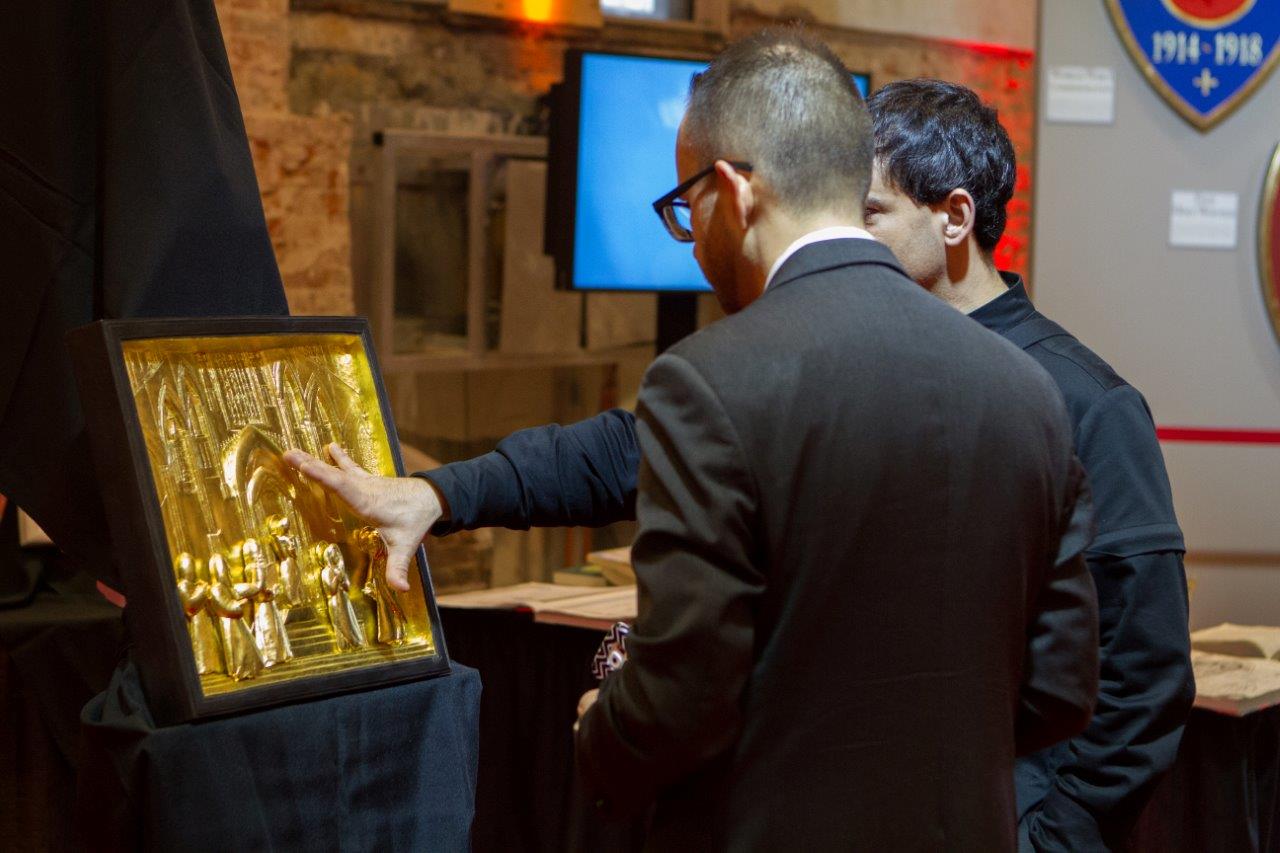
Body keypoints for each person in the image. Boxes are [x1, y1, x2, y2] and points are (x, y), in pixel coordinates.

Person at [286, 29, 1099, 849]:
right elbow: (1061, 686)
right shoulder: (1026, 388)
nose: (692, 234)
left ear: (735, 191)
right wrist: (435, 491)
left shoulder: (713, 377)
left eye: (686, 204)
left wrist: (602, 731)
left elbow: (683, 697)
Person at [863, 79, 1193, 852]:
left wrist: (1050, 833)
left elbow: (1144, 671)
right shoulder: (871, 369)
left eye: (870, 212)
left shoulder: (1091, 403)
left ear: (954, 217)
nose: (845, 237)